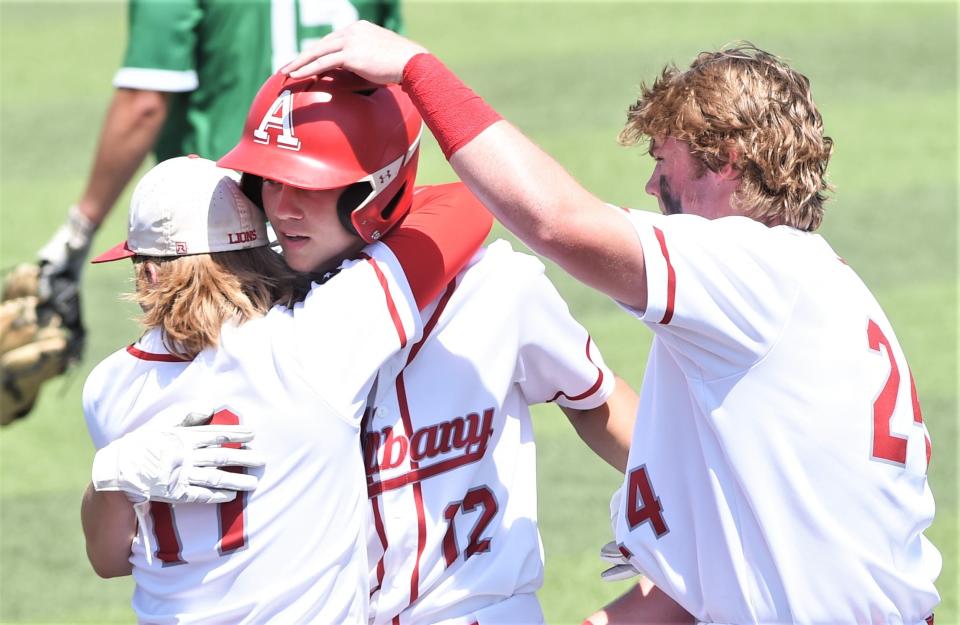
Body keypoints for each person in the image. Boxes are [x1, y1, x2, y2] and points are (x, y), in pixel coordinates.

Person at [281, 23, 942, 625]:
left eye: (664, 161)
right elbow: (699, 590)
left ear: (729, 161)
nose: (653, 188)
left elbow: (558, 222)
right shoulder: (795, 301)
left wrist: (418, 71)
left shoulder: (754, 271)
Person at [80, 145, 491, 622]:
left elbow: (108, 561)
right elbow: (474, 201)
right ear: (259, 250)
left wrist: (106, 476)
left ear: (149, 272)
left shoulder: (107, 388)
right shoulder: (315, 339)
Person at [29, 0, 404, 404]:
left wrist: (78, 231)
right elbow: (391, 78)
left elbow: (145, 102)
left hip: (221, 231)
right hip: (350, 206)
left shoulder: (107, 395)